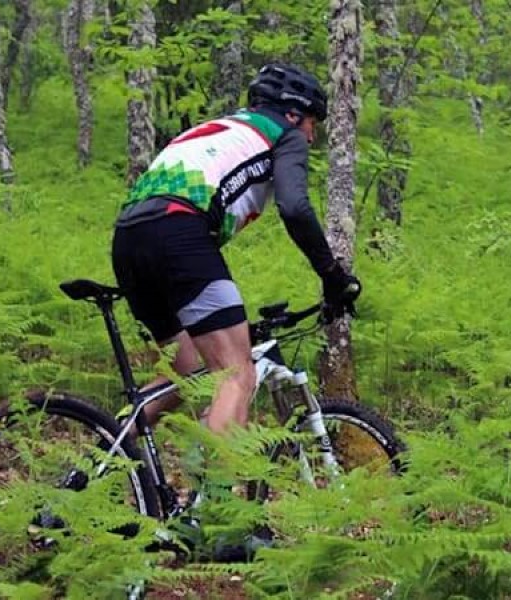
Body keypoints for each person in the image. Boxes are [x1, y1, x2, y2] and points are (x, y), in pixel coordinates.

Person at [111, 63, 361, 440]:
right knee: (236, 373)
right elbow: (295, 208)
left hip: (128, 237)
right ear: (293, 114)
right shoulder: (283, 134)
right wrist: (333, 277)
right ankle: (219, 497)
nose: (311, 138)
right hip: (179, 231)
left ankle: (99, 456)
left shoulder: (224, 129)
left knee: (187, 370)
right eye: (313, 124)